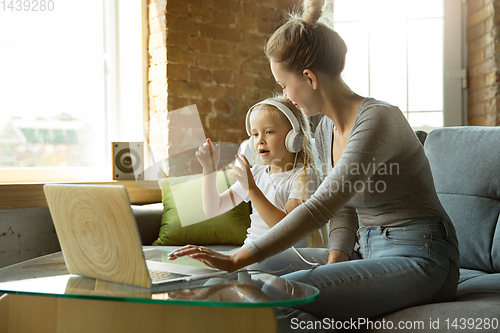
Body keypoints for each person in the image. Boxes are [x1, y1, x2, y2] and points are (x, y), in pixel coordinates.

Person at [168, 0, 460, 329]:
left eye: (283, 85)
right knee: (229, 279)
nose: (286, 95)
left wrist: (238, 254)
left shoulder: (378, 119)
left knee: (276, 290)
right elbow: (345, 209)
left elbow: (323, 205)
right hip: (369, 251)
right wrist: (337, 259)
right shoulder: (324, 130)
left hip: (424, 257)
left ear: (309, 77)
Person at [195, 94, 327, 251]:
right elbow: (213, 208)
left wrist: (251, 189)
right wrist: (208, 169)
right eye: (255, 134)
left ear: (293, 138)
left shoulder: (305, 176)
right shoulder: (256, 174)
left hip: (285, 261)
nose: (259, 140)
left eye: (269, 132)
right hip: (251, 254)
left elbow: (288, 231)